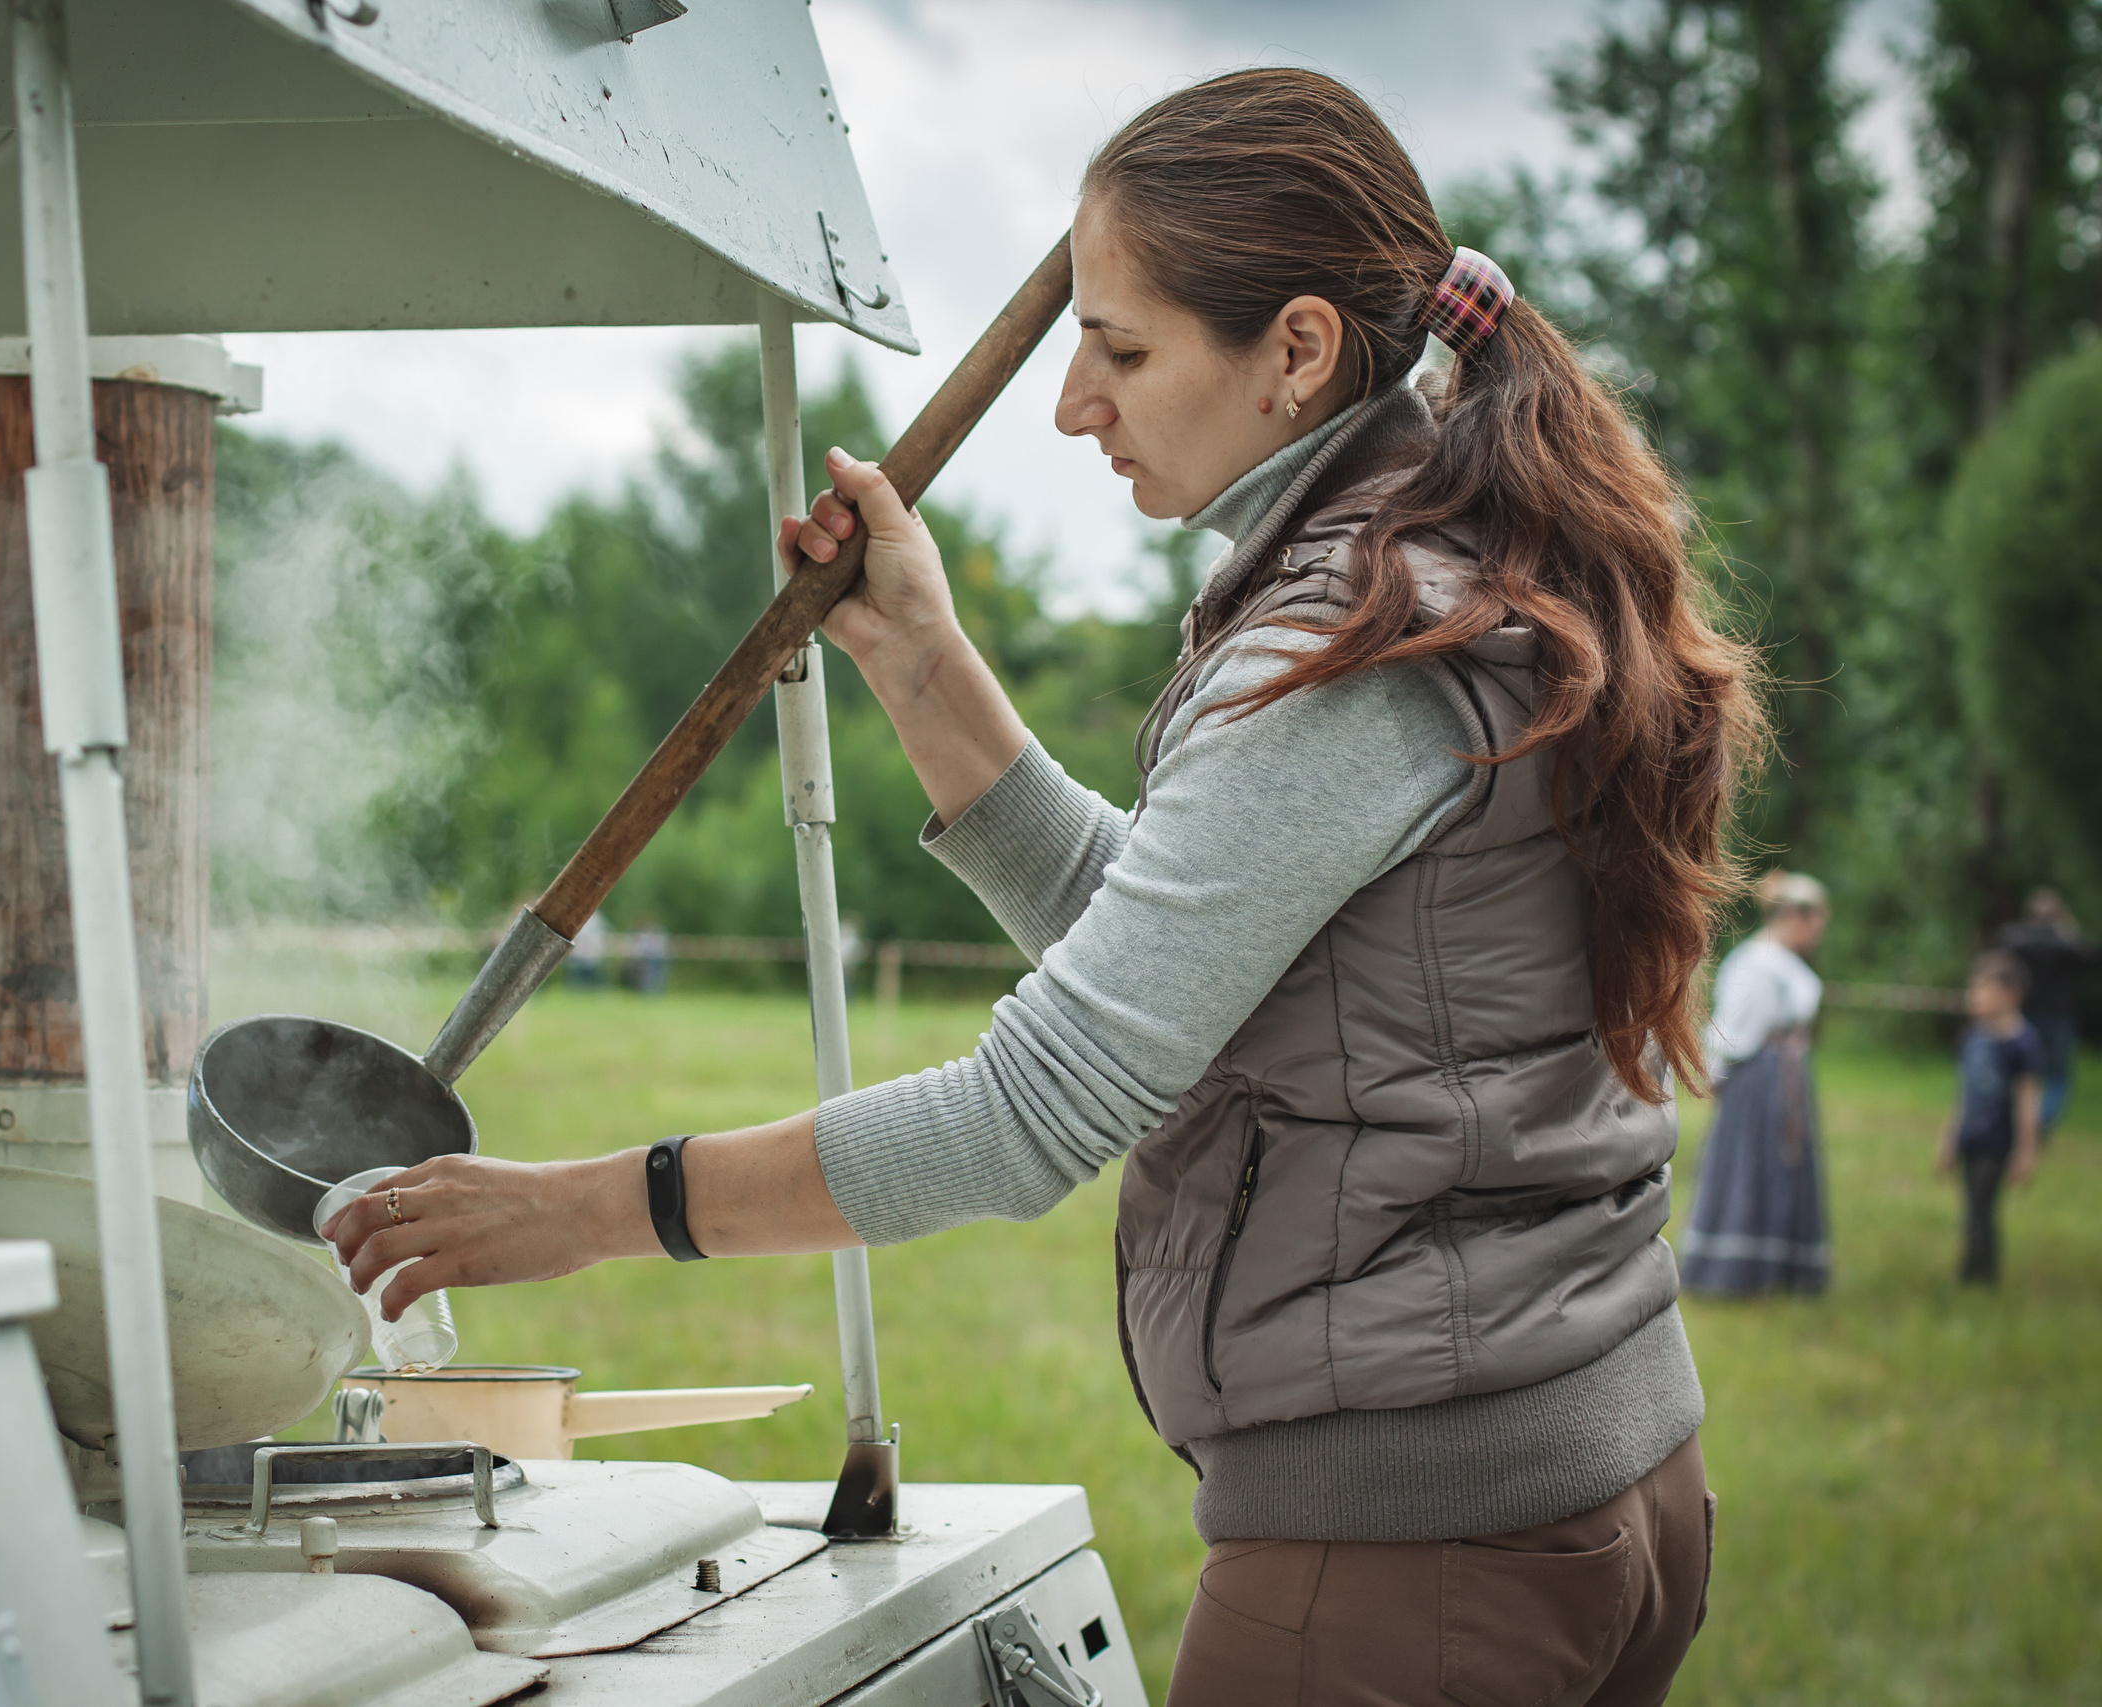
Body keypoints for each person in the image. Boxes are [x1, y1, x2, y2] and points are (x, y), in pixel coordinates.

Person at [328, 68, 1762, 1705]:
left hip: (1413, 1556)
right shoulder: (1439, 559)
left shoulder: (1350, 647)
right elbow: (1176, 966)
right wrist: (925, 661)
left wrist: (578, 1211)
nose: (1075, 400)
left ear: (1298, 350)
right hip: (1589, 1488)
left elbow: (1041, 1104)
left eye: (1126, 347)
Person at [1681, 872, 1832, 1297]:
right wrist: (1716, 1073)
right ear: (1795, 918)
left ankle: (1784, 1269)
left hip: (1783, 1074)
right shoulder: (1755, 963)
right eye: (1815, 921)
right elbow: (1731, 1027)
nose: (1817, 933)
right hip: (1757, 1079)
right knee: (1750, 1163)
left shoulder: (1781, 962)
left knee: (1783, 1165)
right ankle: (1737, 1271)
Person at [1940, 950, 2044, 1284]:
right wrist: (1948, 1141)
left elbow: (2028, 1100)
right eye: (1973, 991)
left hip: (1997, 1143)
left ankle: (1979, 1279)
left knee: (1981, 1211)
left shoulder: (2022, 1045)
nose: (1974, 1000)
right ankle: (1974, 1273)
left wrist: (2026, 1151)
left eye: (1984, 993)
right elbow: (1963, 1095)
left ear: (2011, 996)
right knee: (1972, 1208)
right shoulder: (1973, 1038)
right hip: (1971, 1137)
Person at [1995, 888, 2092, 1134]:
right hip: (2059, 1016)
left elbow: (2000, 951)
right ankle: (2041, 1122)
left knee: (2022, 1073)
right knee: (2057, 1077)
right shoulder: (2065, 942)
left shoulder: (2017, 938)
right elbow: (2090, 958)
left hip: (2027, 1013)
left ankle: (2023, 1121)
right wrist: (2070, 931)